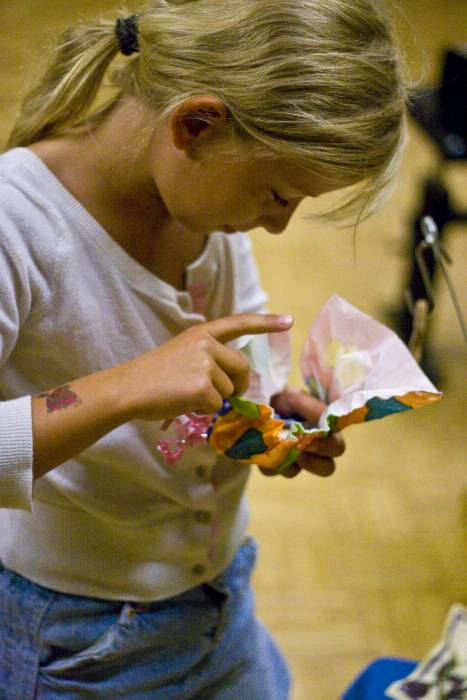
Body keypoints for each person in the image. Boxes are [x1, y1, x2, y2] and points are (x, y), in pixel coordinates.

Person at [0, 1, 407, 697]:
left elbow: (235, 371)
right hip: (73, 638)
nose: (276, 228)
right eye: (277, 195)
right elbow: (145, 383)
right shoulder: (19, 224)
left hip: (219, 597)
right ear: (195, 124)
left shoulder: (199, 205)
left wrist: (270, 415)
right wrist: (125, 387)